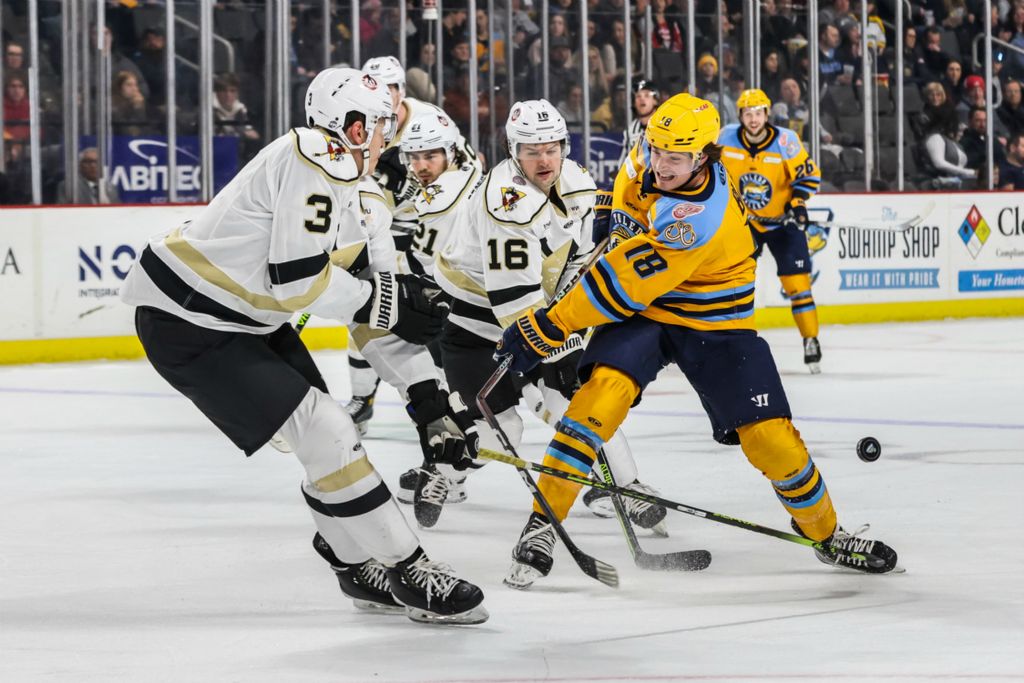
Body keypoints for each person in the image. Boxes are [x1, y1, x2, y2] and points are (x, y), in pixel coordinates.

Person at [118, 67, 487, 625]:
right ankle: (410, 571)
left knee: (328, 441)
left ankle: (351, 561)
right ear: (356, 128)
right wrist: (384, 301)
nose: (393, 139)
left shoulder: (366, 199)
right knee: (329, 432)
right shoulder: (313, 153)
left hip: (245, 323)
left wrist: (430, 403)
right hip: (189, 320)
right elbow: (300, 282)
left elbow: (380, 319)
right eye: (384, 125)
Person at [496, 93, 900, 589]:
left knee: (772, 442)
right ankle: (543, 524)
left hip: (714, 322)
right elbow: (623, 203)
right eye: (655, 148)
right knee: (594, 402)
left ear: (703, 157)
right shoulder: (647, 161)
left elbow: (618, 286)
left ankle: (828, 535)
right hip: (650, 315)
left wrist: (546, 327)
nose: (660, 165)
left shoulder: (697, 218)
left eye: (675, 157)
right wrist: (607, 212)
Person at [434, 100, 666, 575]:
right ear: (512, 152)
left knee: (577, 401)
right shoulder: (505, 202)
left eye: (552, 148)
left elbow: (578, 259)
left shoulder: (575, 181)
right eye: (531, 150)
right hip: (474, 326)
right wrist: (558, 342)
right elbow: (511, 304)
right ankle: (441, 469)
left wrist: (571, 325)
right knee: (506, 430)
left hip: (535, 316)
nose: (544, 160)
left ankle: (625, 486)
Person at [345, 56, 479, 444]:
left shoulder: (432, 121)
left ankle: (451, 400)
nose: (384, 98)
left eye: (391, 89)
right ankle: (362, 397)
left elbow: (469, 168)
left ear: (402, 91)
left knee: (428, 311)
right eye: (376, 89)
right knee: (372, 310)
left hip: (439, 224)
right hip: (393, 225)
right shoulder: (363, 123)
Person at [393, 107, 485, 526]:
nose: (420, 166)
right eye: (413, 157)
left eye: (429, 156)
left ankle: (594, 475)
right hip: (455, 304)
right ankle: (449, 472)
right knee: (446, 393)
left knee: (534, 399)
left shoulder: (448, 190)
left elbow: (415, 257)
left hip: (477, 308)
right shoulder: (456, 181)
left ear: (450, 154)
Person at [718, 89, 824, 373]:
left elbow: (809, 175)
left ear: (767, 115)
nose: (753, 119)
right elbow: (707, 171)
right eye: (748, 113)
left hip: (782, 224)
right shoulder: (724, 138)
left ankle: (810, 339)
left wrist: (797, 203)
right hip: (746, 224)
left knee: (797, 286)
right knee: (731, 285)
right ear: (740, 115)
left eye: (758, 113)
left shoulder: (785, 141)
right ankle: (730, 344)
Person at [616, 79, 661, 169]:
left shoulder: (664, 125)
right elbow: (622, 166)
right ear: (634, 103)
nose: (642, 99)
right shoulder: (630, 131)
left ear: (655, 101)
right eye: (638, 96)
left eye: (647, 95)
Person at [56, 147, 120, 204]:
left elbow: (118, 211)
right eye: (88, 161)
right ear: (80, 165)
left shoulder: (110, 188)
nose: (93, 166)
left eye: (97, 162)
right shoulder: (69, 187)